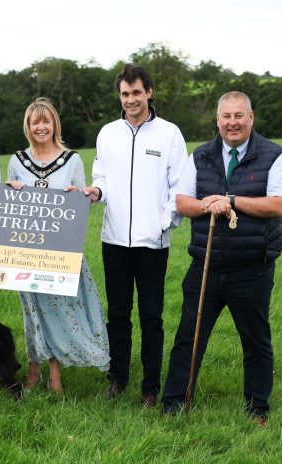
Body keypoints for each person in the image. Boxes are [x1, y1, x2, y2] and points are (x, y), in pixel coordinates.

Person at [161, 91, 282, 426]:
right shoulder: (200, 156)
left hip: (252, 268)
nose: (232, 122)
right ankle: (174, 405)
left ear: (251, 117)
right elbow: (182, 202)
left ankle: (257, 410)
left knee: (255, 341)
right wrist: (210, 204)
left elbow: (278, 205)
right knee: (189, 338)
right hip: (205, 264)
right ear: (217, 120)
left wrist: (231, 199)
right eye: (226, 116)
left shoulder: (275, 156)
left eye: (239, 115)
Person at [82, 64, 187, 406]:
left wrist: (162, 223)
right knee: (118, 314)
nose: (131, 100)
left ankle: (150, 388)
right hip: (113, 241)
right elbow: (102, 177)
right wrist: (97, 192)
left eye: (137, 93)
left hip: (152, 244)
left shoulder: (169, 134)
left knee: (151, 316)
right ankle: (118, 379)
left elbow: (180, 186)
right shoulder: (108, 133)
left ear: (149, 93)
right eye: (125, 94)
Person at [4, 98, 110, 395]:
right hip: (26, 251)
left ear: (55, 125)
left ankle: (54, 374)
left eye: (46, 121)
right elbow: (8, 210)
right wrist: (9, 192)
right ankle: (34, 369)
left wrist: (77, 196)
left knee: (59, 310)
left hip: (61, 252)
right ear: (28, 126)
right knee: (33, 312)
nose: (41, 126)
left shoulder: (72, 160)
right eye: (35, 121)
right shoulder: (17, 161)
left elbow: (82, 208)